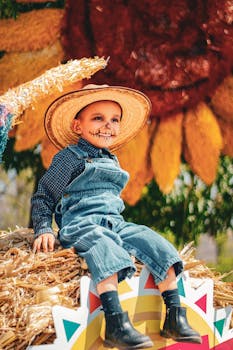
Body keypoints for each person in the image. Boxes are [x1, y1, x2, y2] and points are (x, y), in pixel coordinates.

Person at [31, 84, 201, 349]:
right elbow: (44, 195)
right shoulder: (69, 158)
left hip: (115, 224)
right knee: (104, 247)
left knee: (155, 242)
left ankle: (175, 315)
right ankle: (115, 323)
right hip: (82, 225)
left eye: (114, 120)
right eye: (98, 118)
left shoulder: (113, 161)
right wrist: (43, 227)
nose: (106, 125)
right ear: (78, 126)